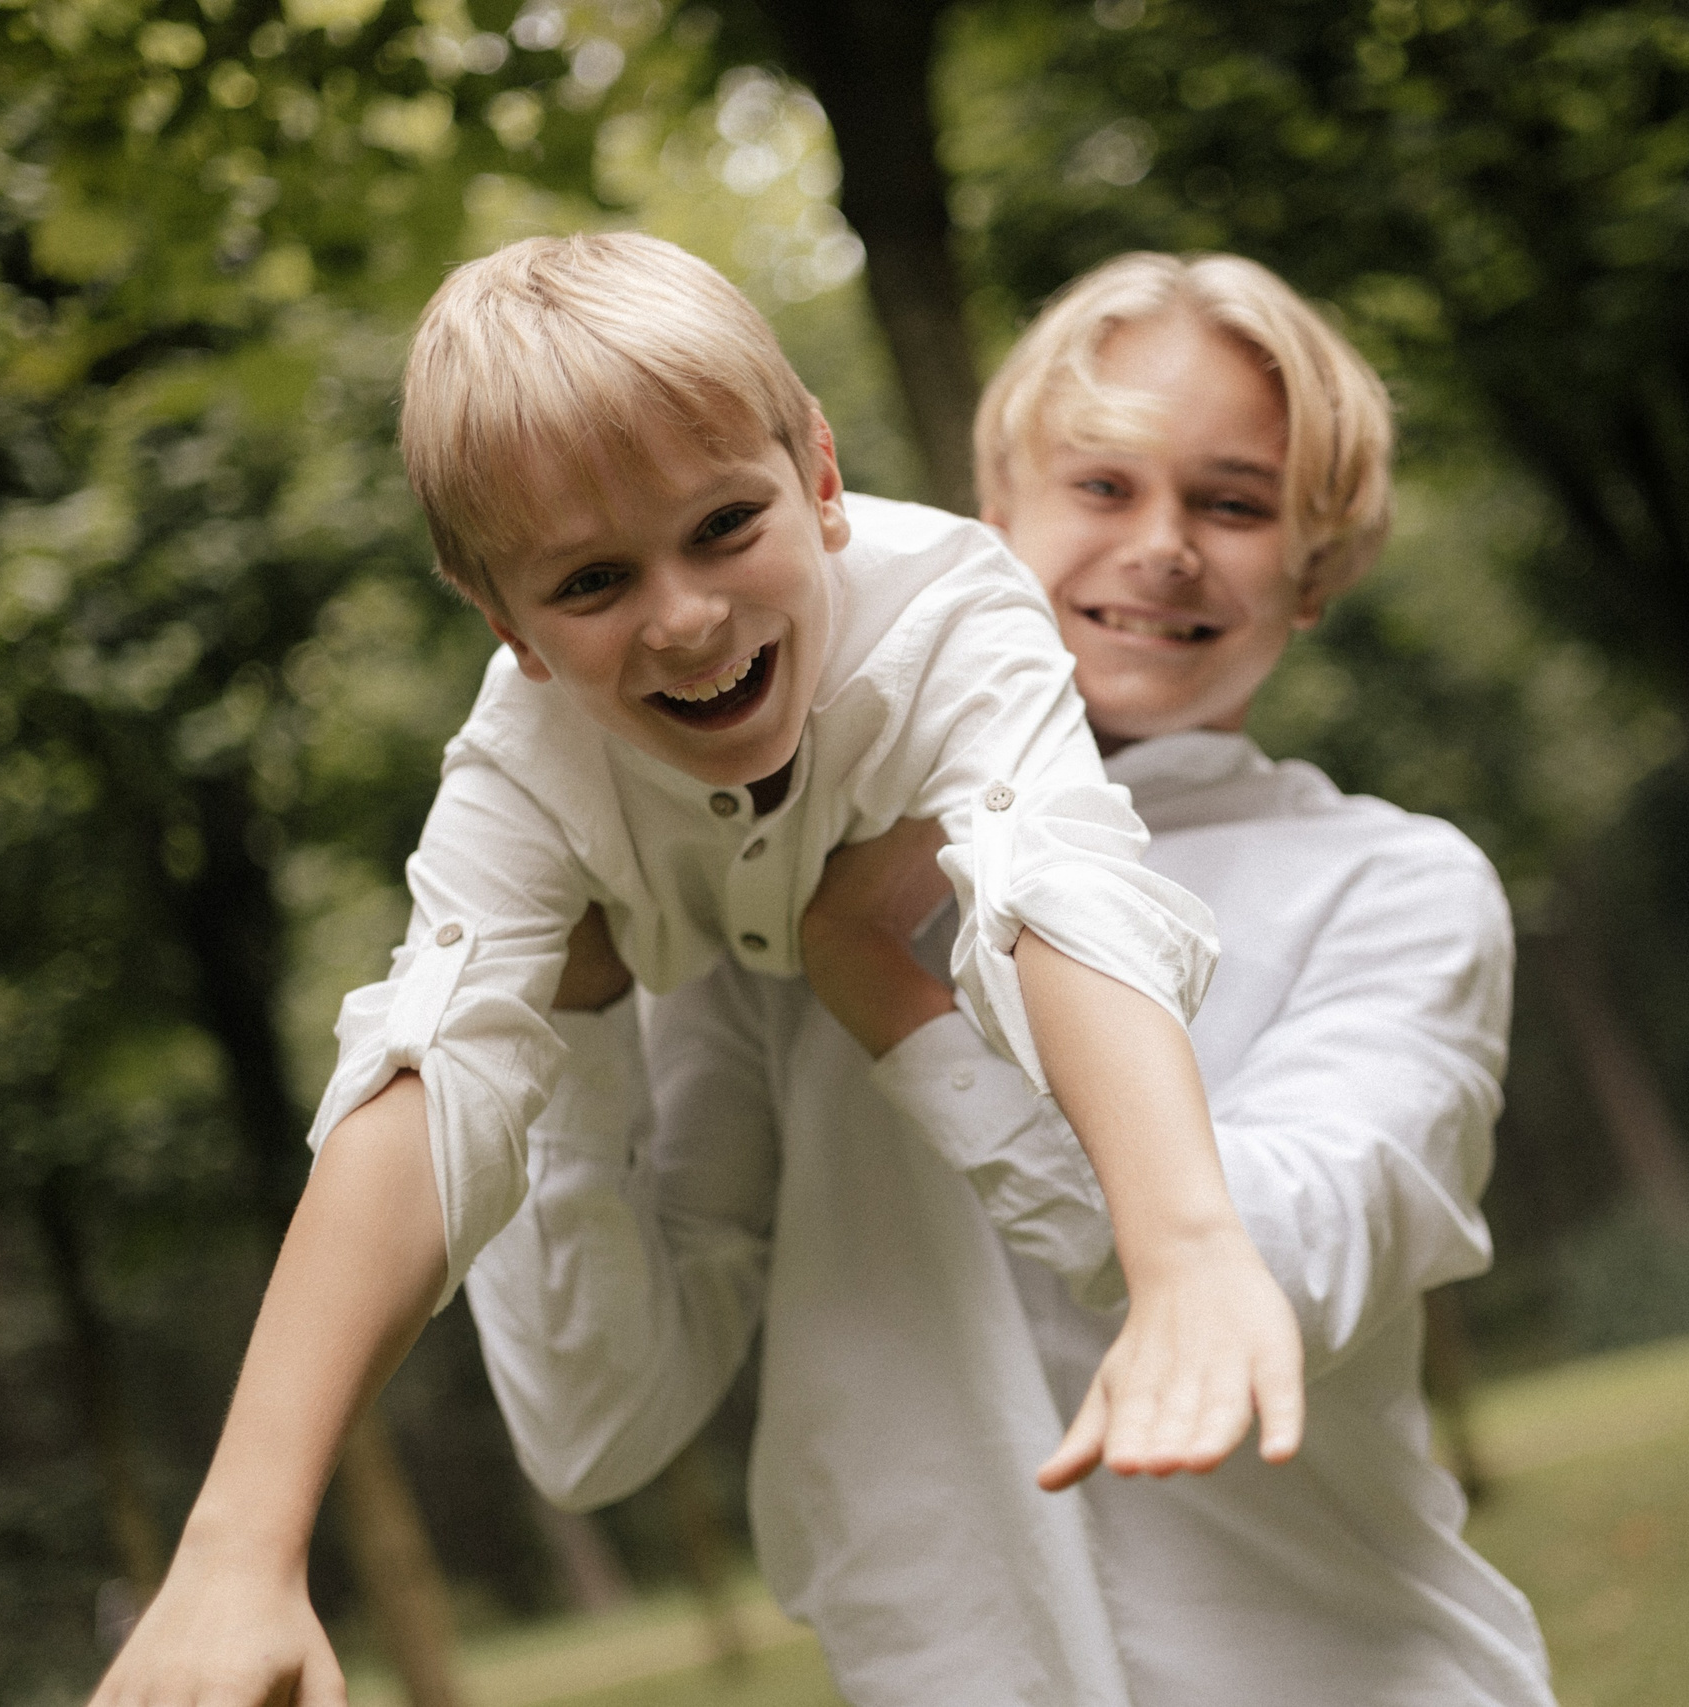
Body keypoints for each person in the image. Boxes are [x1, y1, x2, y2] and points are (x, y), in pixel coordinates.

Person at [89, 234, 1304, 1707]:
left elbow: (1059, 888)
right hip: (679, 998)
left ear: (823, 477)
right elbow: (426, 1075)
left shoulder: (951, 613)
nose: (681, 615)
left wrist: (1183, 1248)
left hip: (877, 1012)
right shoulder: (521, 764)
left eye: (726, 526)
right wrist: (239, 1543)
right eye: (593, 580)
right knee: (590, 1418)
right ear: (503, 624)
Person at [474, 252, 1558, 1704]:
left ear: (1317, 570)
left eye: (1233, 503)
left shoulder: (1396, 887)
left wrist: (902, 1008)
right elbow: (595, 1424)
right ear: (991, 518)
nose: (1164, 546)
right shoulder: (759, 893)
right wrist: (584, 1007)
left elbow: (1272, 1278)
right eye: (1104, 488)